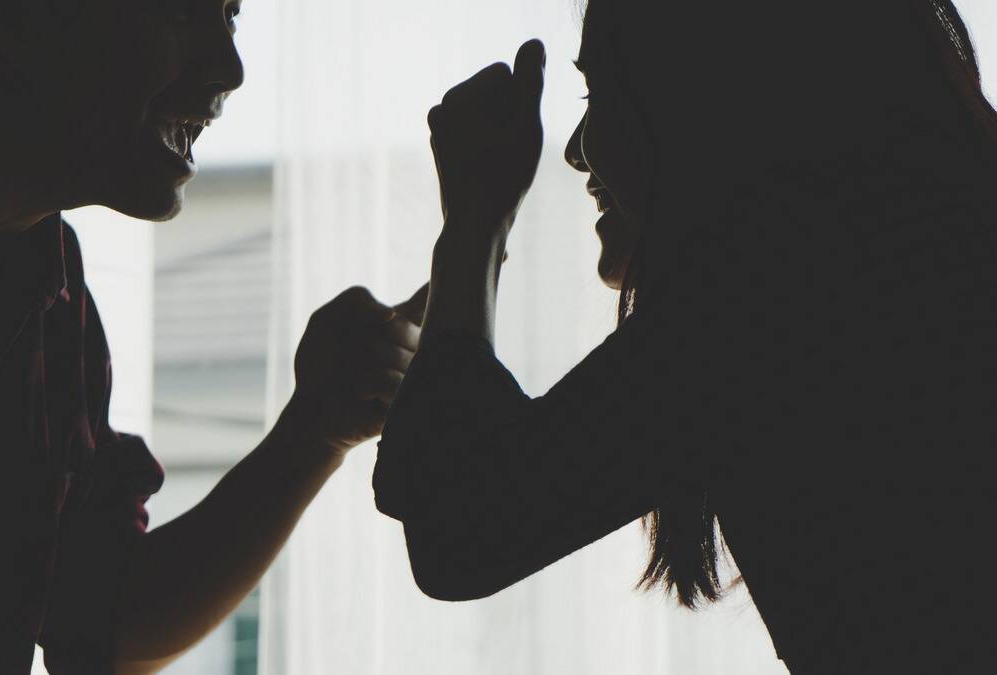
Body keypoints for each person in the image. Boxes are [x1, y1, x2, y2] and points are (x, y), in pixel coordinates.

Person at [0, 0, 425, 673]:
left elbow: (101, 620)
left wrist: (316, 430)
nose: (230, 68)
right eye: (182, 12)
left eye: (230, 16)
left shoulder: (50, 296)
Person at [373, 1, 997, 672]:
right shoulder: (893, 251)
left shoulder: (779, 291)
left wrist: (474, 221)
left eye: (604, 92)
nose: (576, 148)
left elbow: (457, 530)